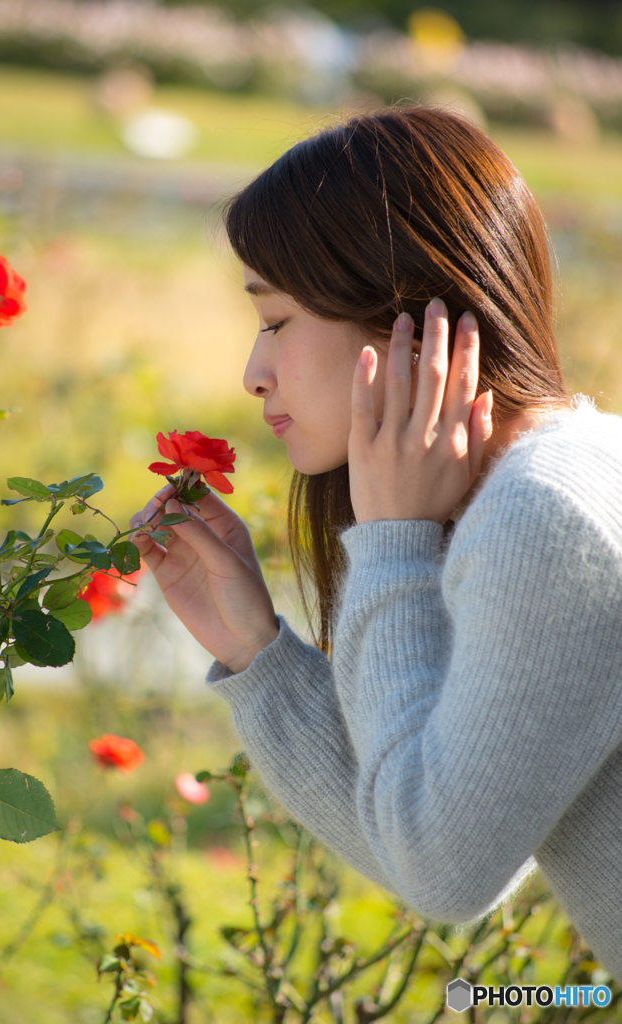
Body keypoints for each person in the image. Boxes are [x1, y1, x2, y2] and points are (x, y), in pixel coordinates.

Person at [132, 106, 622, 981]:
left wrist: (391, 541)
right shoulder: (576, 467)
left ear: (404, 318)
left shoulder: (544, 518)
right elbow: (439, 827)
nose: (253, 371)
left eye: (276, 320)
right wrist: (257, 652)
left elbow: (444, 871)